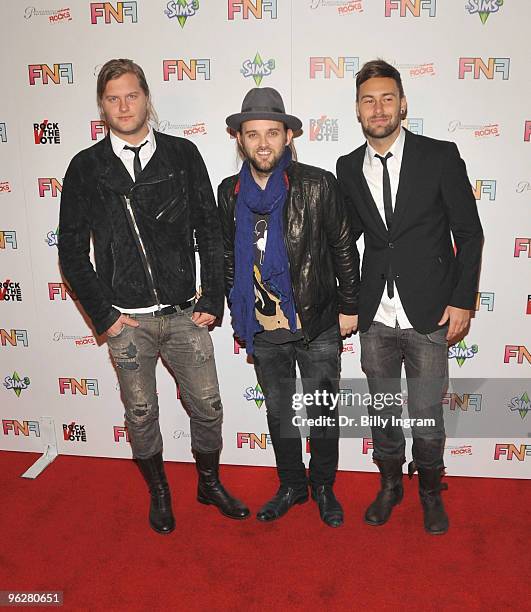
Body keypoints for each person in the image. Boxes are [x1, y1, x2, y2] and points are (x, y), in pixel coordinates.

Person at [58, 58, 249, 535]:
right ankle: (159, 491)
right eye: (113, 98)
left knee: (208, 405)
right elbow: (71, 251)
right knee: (141, 413)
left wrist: (212, 300)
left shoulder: (182, 155)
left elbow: (210, 230)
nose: (124, 105)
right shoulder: (85, 168)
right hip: (127, 322)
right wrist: (105, 315)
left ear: (147, 98)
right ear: (102, 106)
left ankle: (208, 483)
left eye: (132, 95)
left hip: (186, 314)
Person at [336, 59, 483, 534]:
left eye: (386, 98)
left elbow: (469, 233)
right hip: (375, 313)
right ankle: (390, 485)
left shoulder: (439, 156)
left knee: (426, 413)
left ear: (402, 104)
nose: (377, 108)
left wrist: (462, 300)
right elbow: (348, 239)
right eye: (367, 100)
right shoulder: (346, 166)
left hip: (429, 311)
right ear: (357, 110)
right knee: (381, 409)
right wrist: (345, 301)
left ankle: (429, 489)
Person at [218, 87, 358, 527]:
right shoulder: (229, 192)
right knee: (280, 414)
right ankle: (292, 485)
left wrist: (349, 307)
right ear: (239, 139)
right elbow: (227, 257)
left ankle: (323, 487)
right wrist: (238, 314)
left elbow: (343, 249)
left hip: (316, 322)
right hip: (263, 327)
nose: (263, 143)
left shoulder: (317, 184)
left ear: (288, 136)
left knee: (321, 411)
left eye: (272, 133)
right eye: (253, 133)